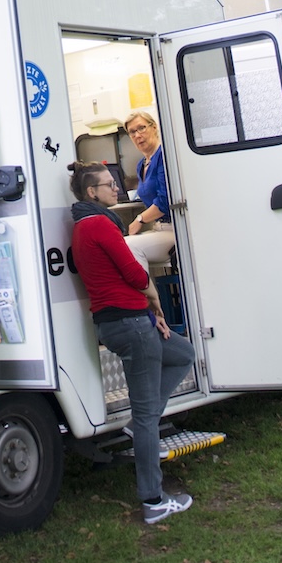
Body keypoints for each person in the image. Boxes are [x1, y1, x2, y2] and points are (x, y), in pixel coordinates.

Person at [68, 160, 196, 525]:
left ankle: (144, 420)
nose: (116, 189)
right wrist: (155, 302)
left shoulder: (80, 227)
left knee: (183, 353)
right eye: (108, 185)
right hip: (133, 323)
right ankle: (154, 500)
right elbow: (135, 273)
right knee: (144, 417)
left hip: (117, 325)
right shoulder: (100, 225)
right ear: (91, 192)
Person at [124, 111, 175, 265]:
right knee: (119, 247)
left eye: (141, 128)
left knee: (128, 247)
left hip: (175, 229)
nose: (137, 135)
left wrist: (140, 219)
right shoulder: (142, 165)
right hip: (158, 228)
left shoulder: (164, 156)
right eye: (132, 132)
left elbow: (165, 202)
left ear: (154, 128)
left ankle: (146, 289)